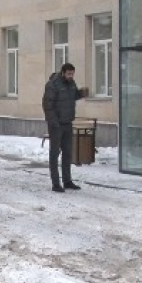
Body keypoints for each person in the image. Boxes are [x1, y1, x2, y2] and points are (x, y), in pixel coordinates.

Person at [42, 62, 88, 192]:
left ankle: (67, 181)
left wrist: (81, 93)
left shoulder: (71, 84)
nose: (71, 76)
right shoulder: (52, 85)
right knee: (55, 153)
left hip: (68, 123)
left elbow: (72, 96)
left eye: (72, 74)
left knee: (67, 153)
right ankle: (56, 183)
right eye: (69, 74)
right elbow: (47, 105)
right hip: (56, 125)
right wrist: (54, 123)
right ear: (63, 73)